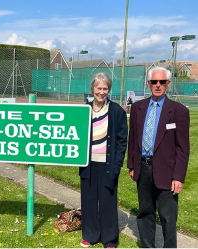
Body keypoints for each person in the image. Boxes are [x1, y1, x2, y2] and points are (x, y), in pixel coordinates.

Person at [127, 67, 190, 248]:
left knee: (167, 217)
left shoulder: (178, 111)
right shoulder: (138, 107)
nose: (157, 85)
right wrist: (132, 165)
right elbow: (133, 139)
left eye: (162, 82)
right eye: (154, 82)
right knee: (145, 212)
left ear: (168, 84)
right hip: (143, 169)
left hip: (167, 171)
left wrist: (178, 176)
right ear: (148, 83)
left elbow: (183, 148)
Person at [79, 72, 128, 248]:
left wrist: (118, 164)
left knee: (108, 202)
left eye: (105, 88)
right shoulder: (84, 109)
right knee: (89, 201)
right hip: (88, 165)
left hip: (108, 165)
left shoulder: (116, 111)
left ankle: (109, 239)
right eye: (98, 88)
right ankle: (90, 235)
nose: (101, 92)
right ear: (92, 89)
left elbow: (122, 140)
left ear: (109, 90)